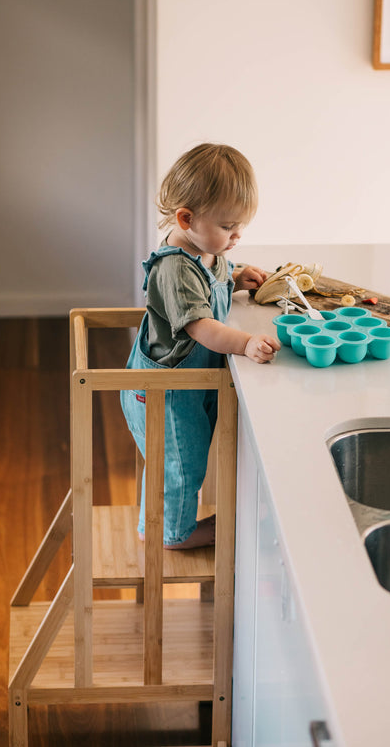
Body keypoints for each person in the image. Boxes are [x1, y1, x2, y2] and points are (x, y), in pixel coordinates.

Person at [120, 143, 280, 549]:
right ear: (186, 218)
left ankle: (171, 521)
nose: (236, 237)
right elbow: (201, 326)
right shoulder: (174, 267)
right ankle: (169, 535)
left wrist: (237, 277)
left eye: (241, 227)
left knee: (184, 458)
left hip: (191, 384)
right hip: (167, 392)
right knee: (178, 465)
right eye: (229, 227)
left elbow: (213, 282)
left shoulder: (208, 250)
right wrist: (244, 343)